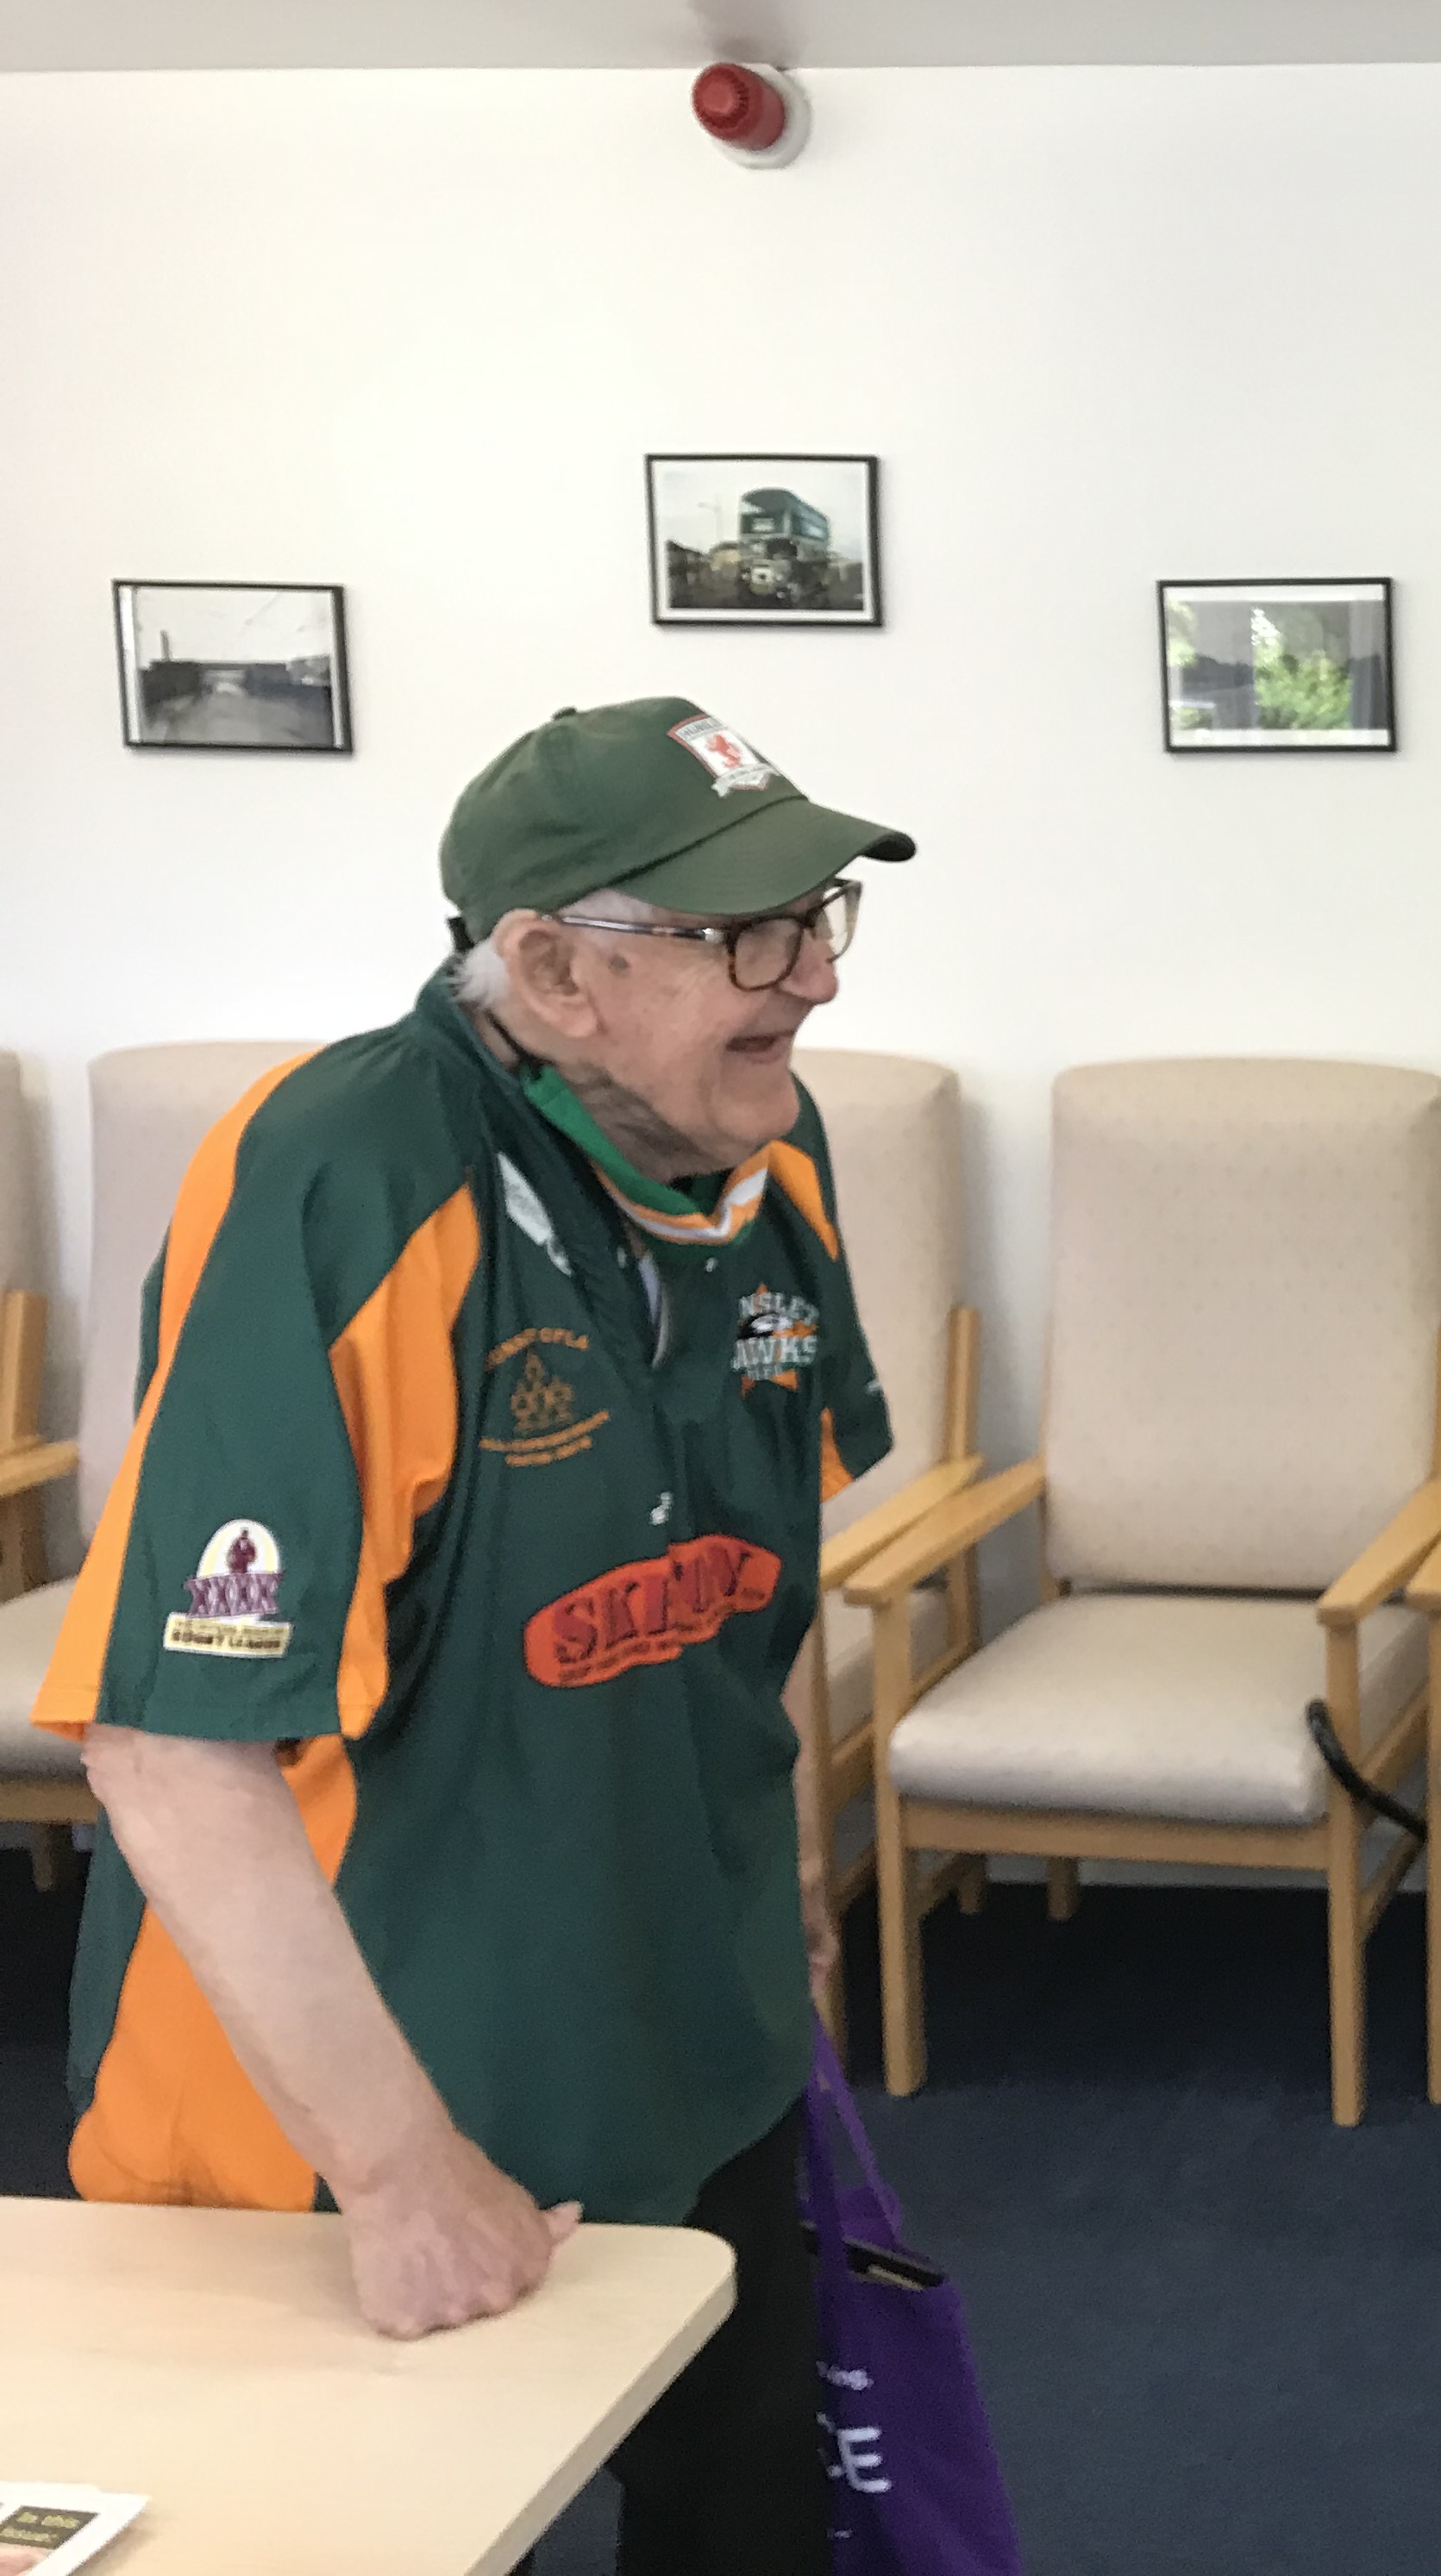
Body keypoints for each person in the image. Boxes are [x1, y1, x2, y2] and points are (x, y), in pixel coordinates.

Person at [33, 696, 911, 2574]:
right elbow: (168, 1743)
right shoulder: (341, 1176)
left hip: (693, 2027)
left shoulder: (770, 1150)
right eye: (749, 935)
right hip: (343, 2118)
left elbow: (770, 1571)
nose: (815, 976)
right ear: (549, 969)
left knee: (745, 2520)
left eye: (823, 913)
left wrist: (795, 1895)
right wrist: (400, 2169)